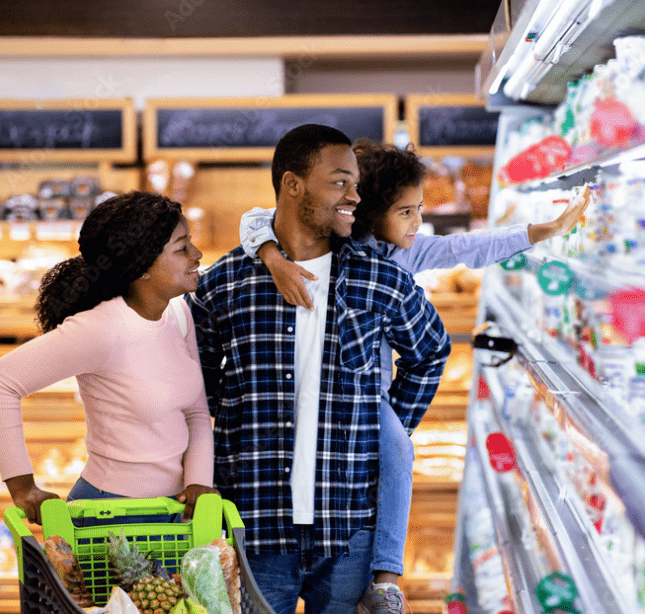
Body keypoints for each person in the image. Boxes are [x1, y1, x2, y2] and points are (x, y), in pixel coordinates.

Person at [239, 139, 592, 613]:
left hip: (367, 396)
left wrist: (542, 231)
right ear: (368, 212)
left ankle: (386, 575)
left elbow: (467, 247)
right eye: (406, 212)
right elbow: (255, 218)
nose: (417, 222)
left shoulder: (403, 254)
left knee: (398, 449)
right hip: (302, 393)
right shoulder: (324, 240)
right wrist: (272, 257)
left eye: (419, 210)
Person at [189, 125, 451, 614]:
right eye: (339, 182)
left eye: (356, 183)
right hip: (255, 524)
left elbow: (430, 351)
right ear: (293, 185)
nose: (355, 196)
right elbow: (195, 384)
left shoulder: (380, 280)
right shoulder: (224, 284)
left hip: (348, 527)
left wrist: (383, 426)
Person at [0, 191, 218, 526]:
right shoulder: (100, 329)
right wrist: (22, 488)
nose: (197, 254)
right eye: (181, 248)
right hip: (111, 515)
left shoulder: (178, 314)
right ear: (142, 266)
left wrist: (198, 483)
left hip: (174, 512)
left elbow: (196, 413)